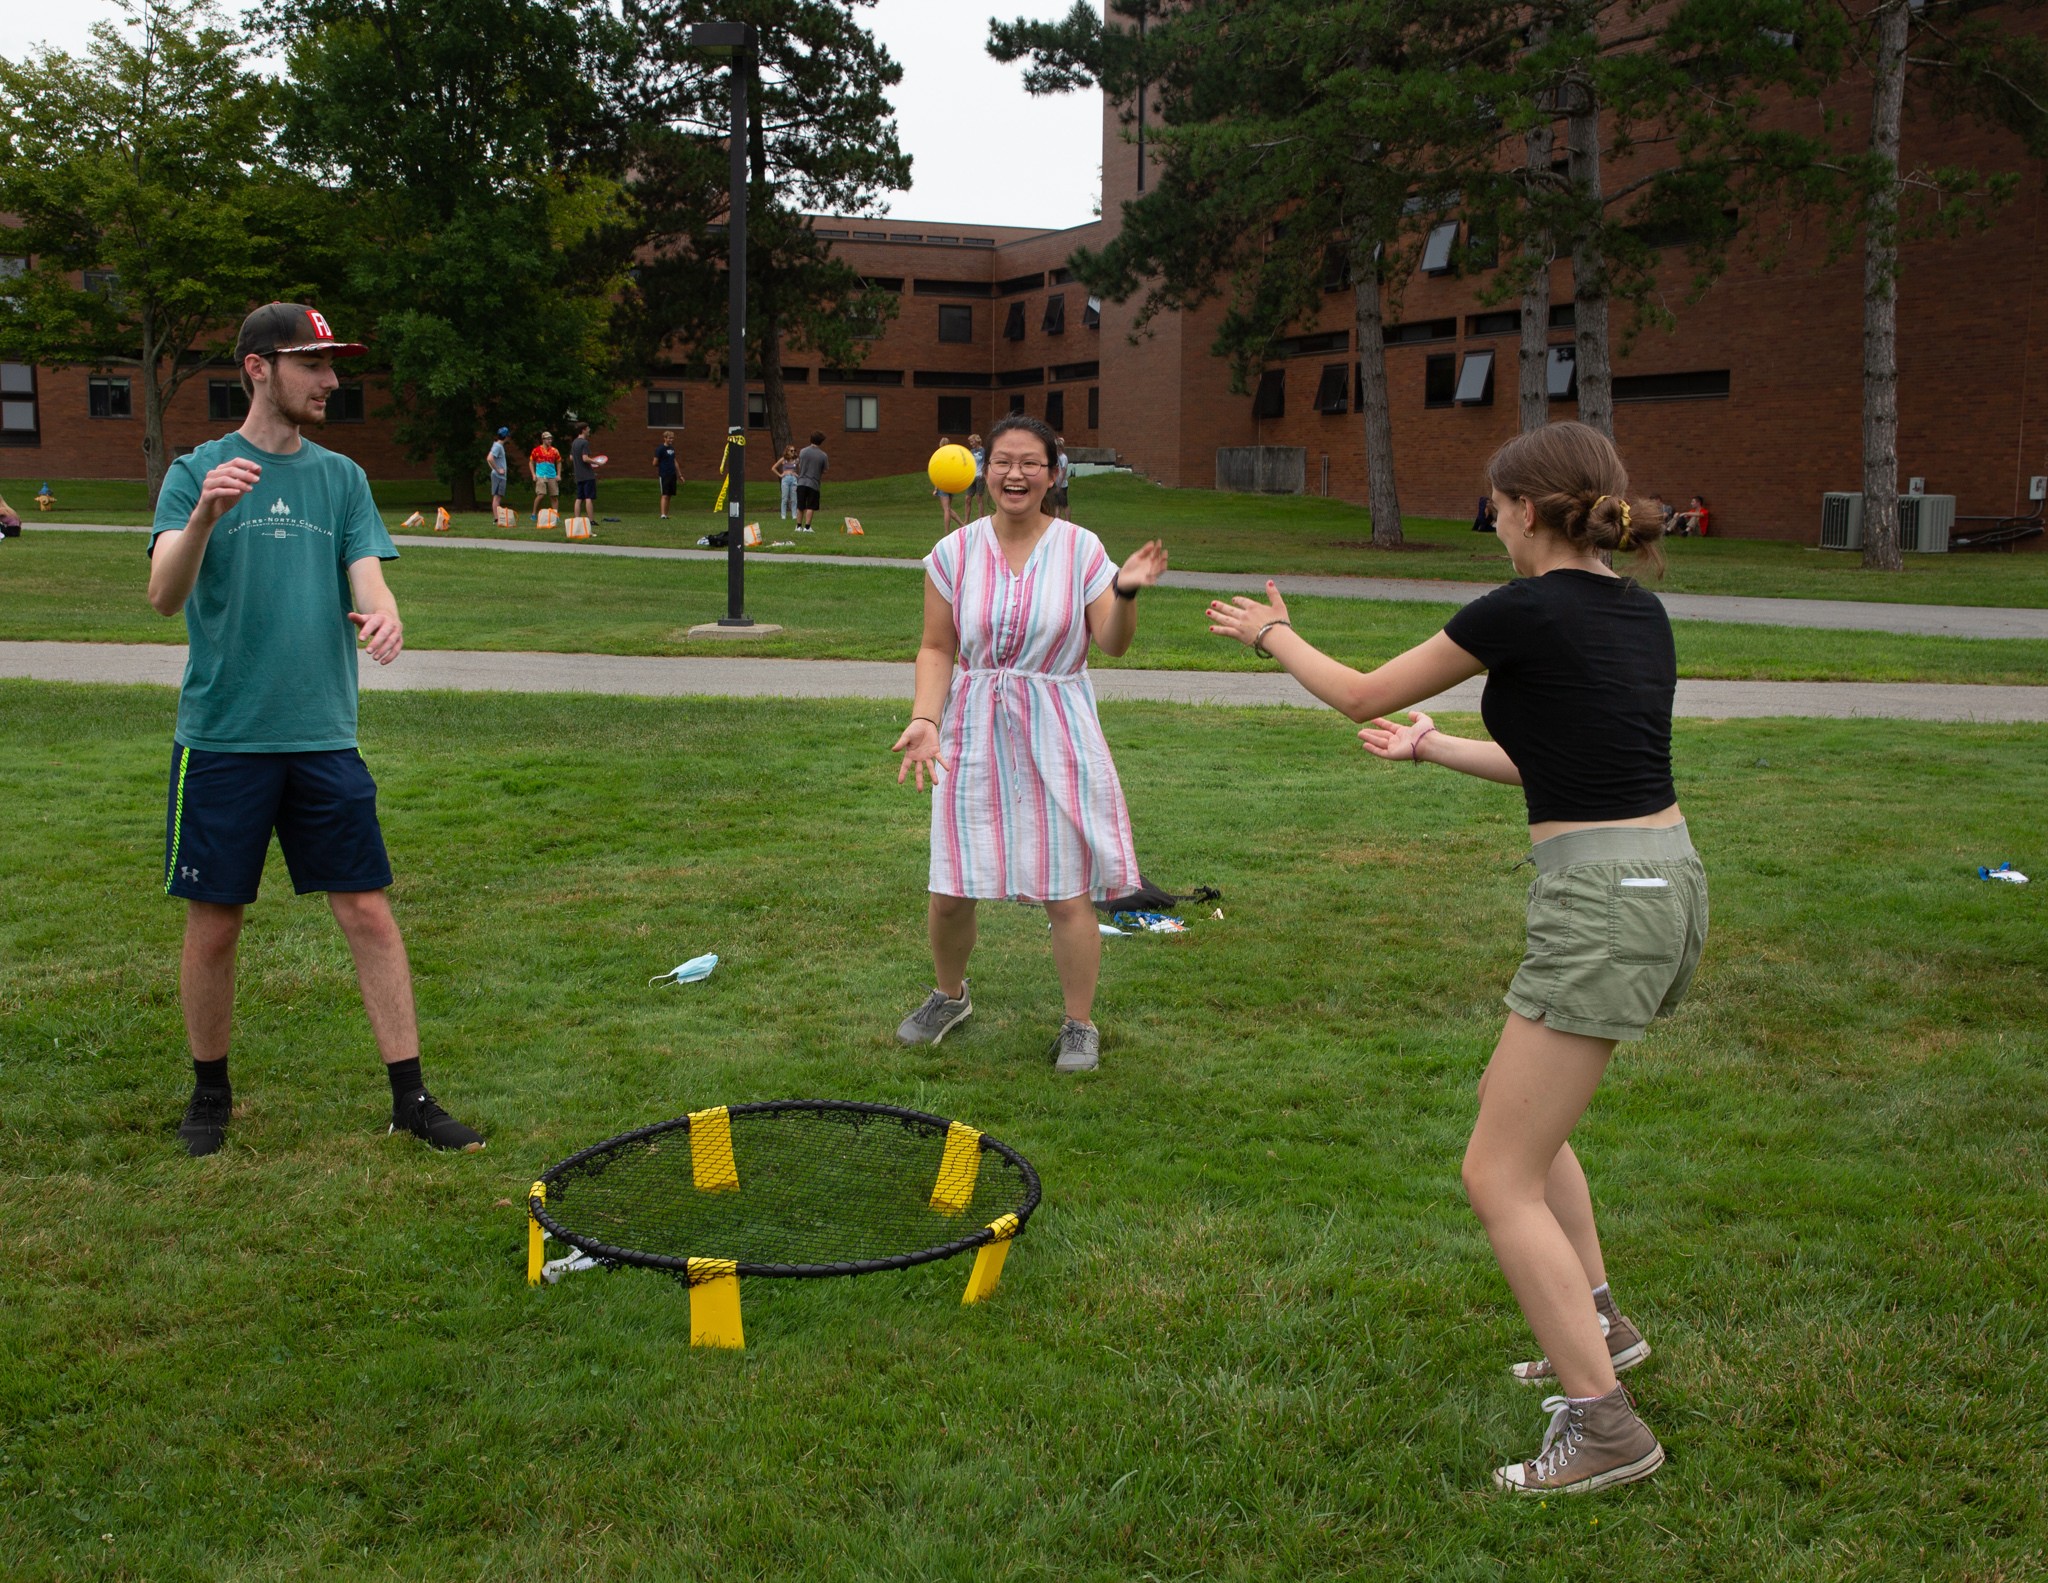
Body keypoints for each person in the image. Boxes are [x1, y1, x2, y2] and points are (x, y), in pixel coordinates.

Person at [1205, 420, 1703, 1494]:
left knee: (1494, 1172)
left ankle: (1606, 1428)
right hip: (1664, 882)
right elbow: (1558, 762)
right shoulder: (1637, 609)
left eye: (1493, 508)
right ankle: (1602, 1327)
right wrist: (1432, 746)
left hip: (1601, 904)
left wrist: (1271, 634)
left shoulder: (1518, 607)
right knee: (1516, 1124)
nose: (1494, 526)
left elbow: (1357, 691)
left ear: (1522, 509)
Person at [145, 301, 485, 1159]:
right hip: (222, 738)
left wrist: (385, 614)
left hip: (324, 736)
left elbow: (369, 578)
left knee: (367, 909)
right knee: (215, 921)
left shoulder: (341, 479)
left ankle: (411, 1098)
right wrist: (203, 517)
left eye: (333, 364)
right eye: (313, 363)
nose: (331, 380)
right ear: (258, 368)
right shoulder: (195, 471)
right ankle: (210, 1093)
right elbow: (163, 596)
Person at [892, 414, 1169, 1074]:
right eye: (1003, 462)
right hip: (973, 728)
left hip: (1057, 729)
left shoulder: (1081, 549)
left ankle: (1079, 1025)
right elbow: (936, 647)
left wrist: (1126, 592)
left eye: (1030, 464)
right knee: (951, 885)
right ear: (984, 471)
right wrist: (927, 718)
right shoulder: (953, 553)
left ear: (1053, 474)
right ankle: (949, 996)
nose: (1015, 474)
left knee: (1066, 890)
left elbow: (1112, 642)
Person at [794, 431, 828, 531]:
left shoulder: (803, 451)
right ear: (821, 442)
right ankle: (807, 527)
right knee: (811, 506)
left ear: (811, 439)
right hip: (813, 483)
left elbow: (800, 465)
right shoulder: (823, 455)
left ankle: (798, 526)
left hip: (801, 482)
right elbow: (825, 470)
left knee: (800, 505)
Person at [569, 421, 602, 520]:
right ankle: (591, 520)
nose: (589, 430)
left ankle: (577, 520)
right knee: (588, 498)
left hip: (578, 475)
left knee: (579, 498)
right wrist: (597, 462)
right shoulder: (584, 442)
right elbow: (585, 458)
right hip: (587, 475)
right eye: (588, 428)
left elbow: (571, 457)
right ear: (583, 430)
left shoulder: (574, 442)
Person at [529, 430, 561, 522]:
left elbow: (559, 462)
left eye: (551, 439)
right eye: (548, 439)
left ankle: (555, 515)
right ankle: (534, 514)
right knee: (541, 494)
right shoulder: (536, 450)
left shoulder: (555, 451)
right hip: (540, 475)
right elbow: (531, 462)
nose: (550, 440)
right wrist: (533, 474)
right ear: (543, 439)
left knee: (554, 496)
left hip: (552, 475)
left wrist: (558, 474)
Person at [935, 435, 964, 533]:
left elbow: (937, 472)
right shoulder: (952, 456)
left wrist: (936, 488)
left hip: (943, 483)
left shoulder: (939, 456)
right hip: (951, 484)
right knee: (948, 509)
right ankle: (962, 525)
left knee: (946, 509)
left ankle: (946, 531)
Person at [486, 426, 511, 518]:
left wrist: (493, 469)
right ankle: (496, 518)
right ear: (506, 436)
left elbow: (488, 459)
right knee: (497, 498)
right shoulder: (498, 446)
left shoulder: (498, 445)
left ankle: (497, 518)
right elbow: (489, 458)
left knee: (498, 497)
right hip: (499, 476)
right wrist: (497, 470)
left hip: (500, 476)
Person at [654, 430, 680, 520]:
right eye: (669, 438)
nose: (671, 440)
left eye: (672, 438)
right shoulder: (660, 449)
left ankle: (666, 514)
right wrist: (663, 466)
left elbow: (674, 461)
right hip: (664, 474)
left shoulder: (672, 449)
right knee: (665, 494)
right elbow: (654, 462)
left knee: (669, 495)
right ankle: (662, 515)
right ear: (665, 438)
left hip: (672, 474)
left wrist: (680, 474)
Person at [773, 442, 801, 520]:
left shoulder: (796, 460)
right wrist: (780, 475)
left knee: (794, 498)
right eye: (791, 451)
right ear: (787, 451)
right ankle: (783, 515)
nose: (793, 452)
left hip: (793, 479)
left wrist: (797, 475)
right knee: (784, 498)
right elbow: (773, 468)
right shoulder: (783, 459)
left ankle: (794, 515)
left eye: (794, 450)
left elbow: (802, 468)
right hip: (785, 479)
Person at [963, 433, 988, 515]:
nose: (971, 444)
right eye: (970, 442)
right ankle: (966, 520)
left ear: (977, 441)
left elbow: (986, 463)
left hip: (980, 477)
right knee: (967, 498)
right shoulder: (971, 452)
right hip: (972, 477)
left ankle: (981, 518)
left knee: (979, 498)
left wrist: (984, 473)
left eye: (972, 441)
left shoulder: (983, 451)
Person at [1050, 436, 1073, 521]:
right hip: (1055, 483)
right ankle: (1057, 520)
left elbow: (1063, 471)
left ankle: (1068, 521)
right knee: (1056, 504)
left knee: (1064, 504)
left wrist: (1059, 484)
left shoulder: (1064, 458)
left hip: (1062, 485)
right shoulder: (1055, 457)